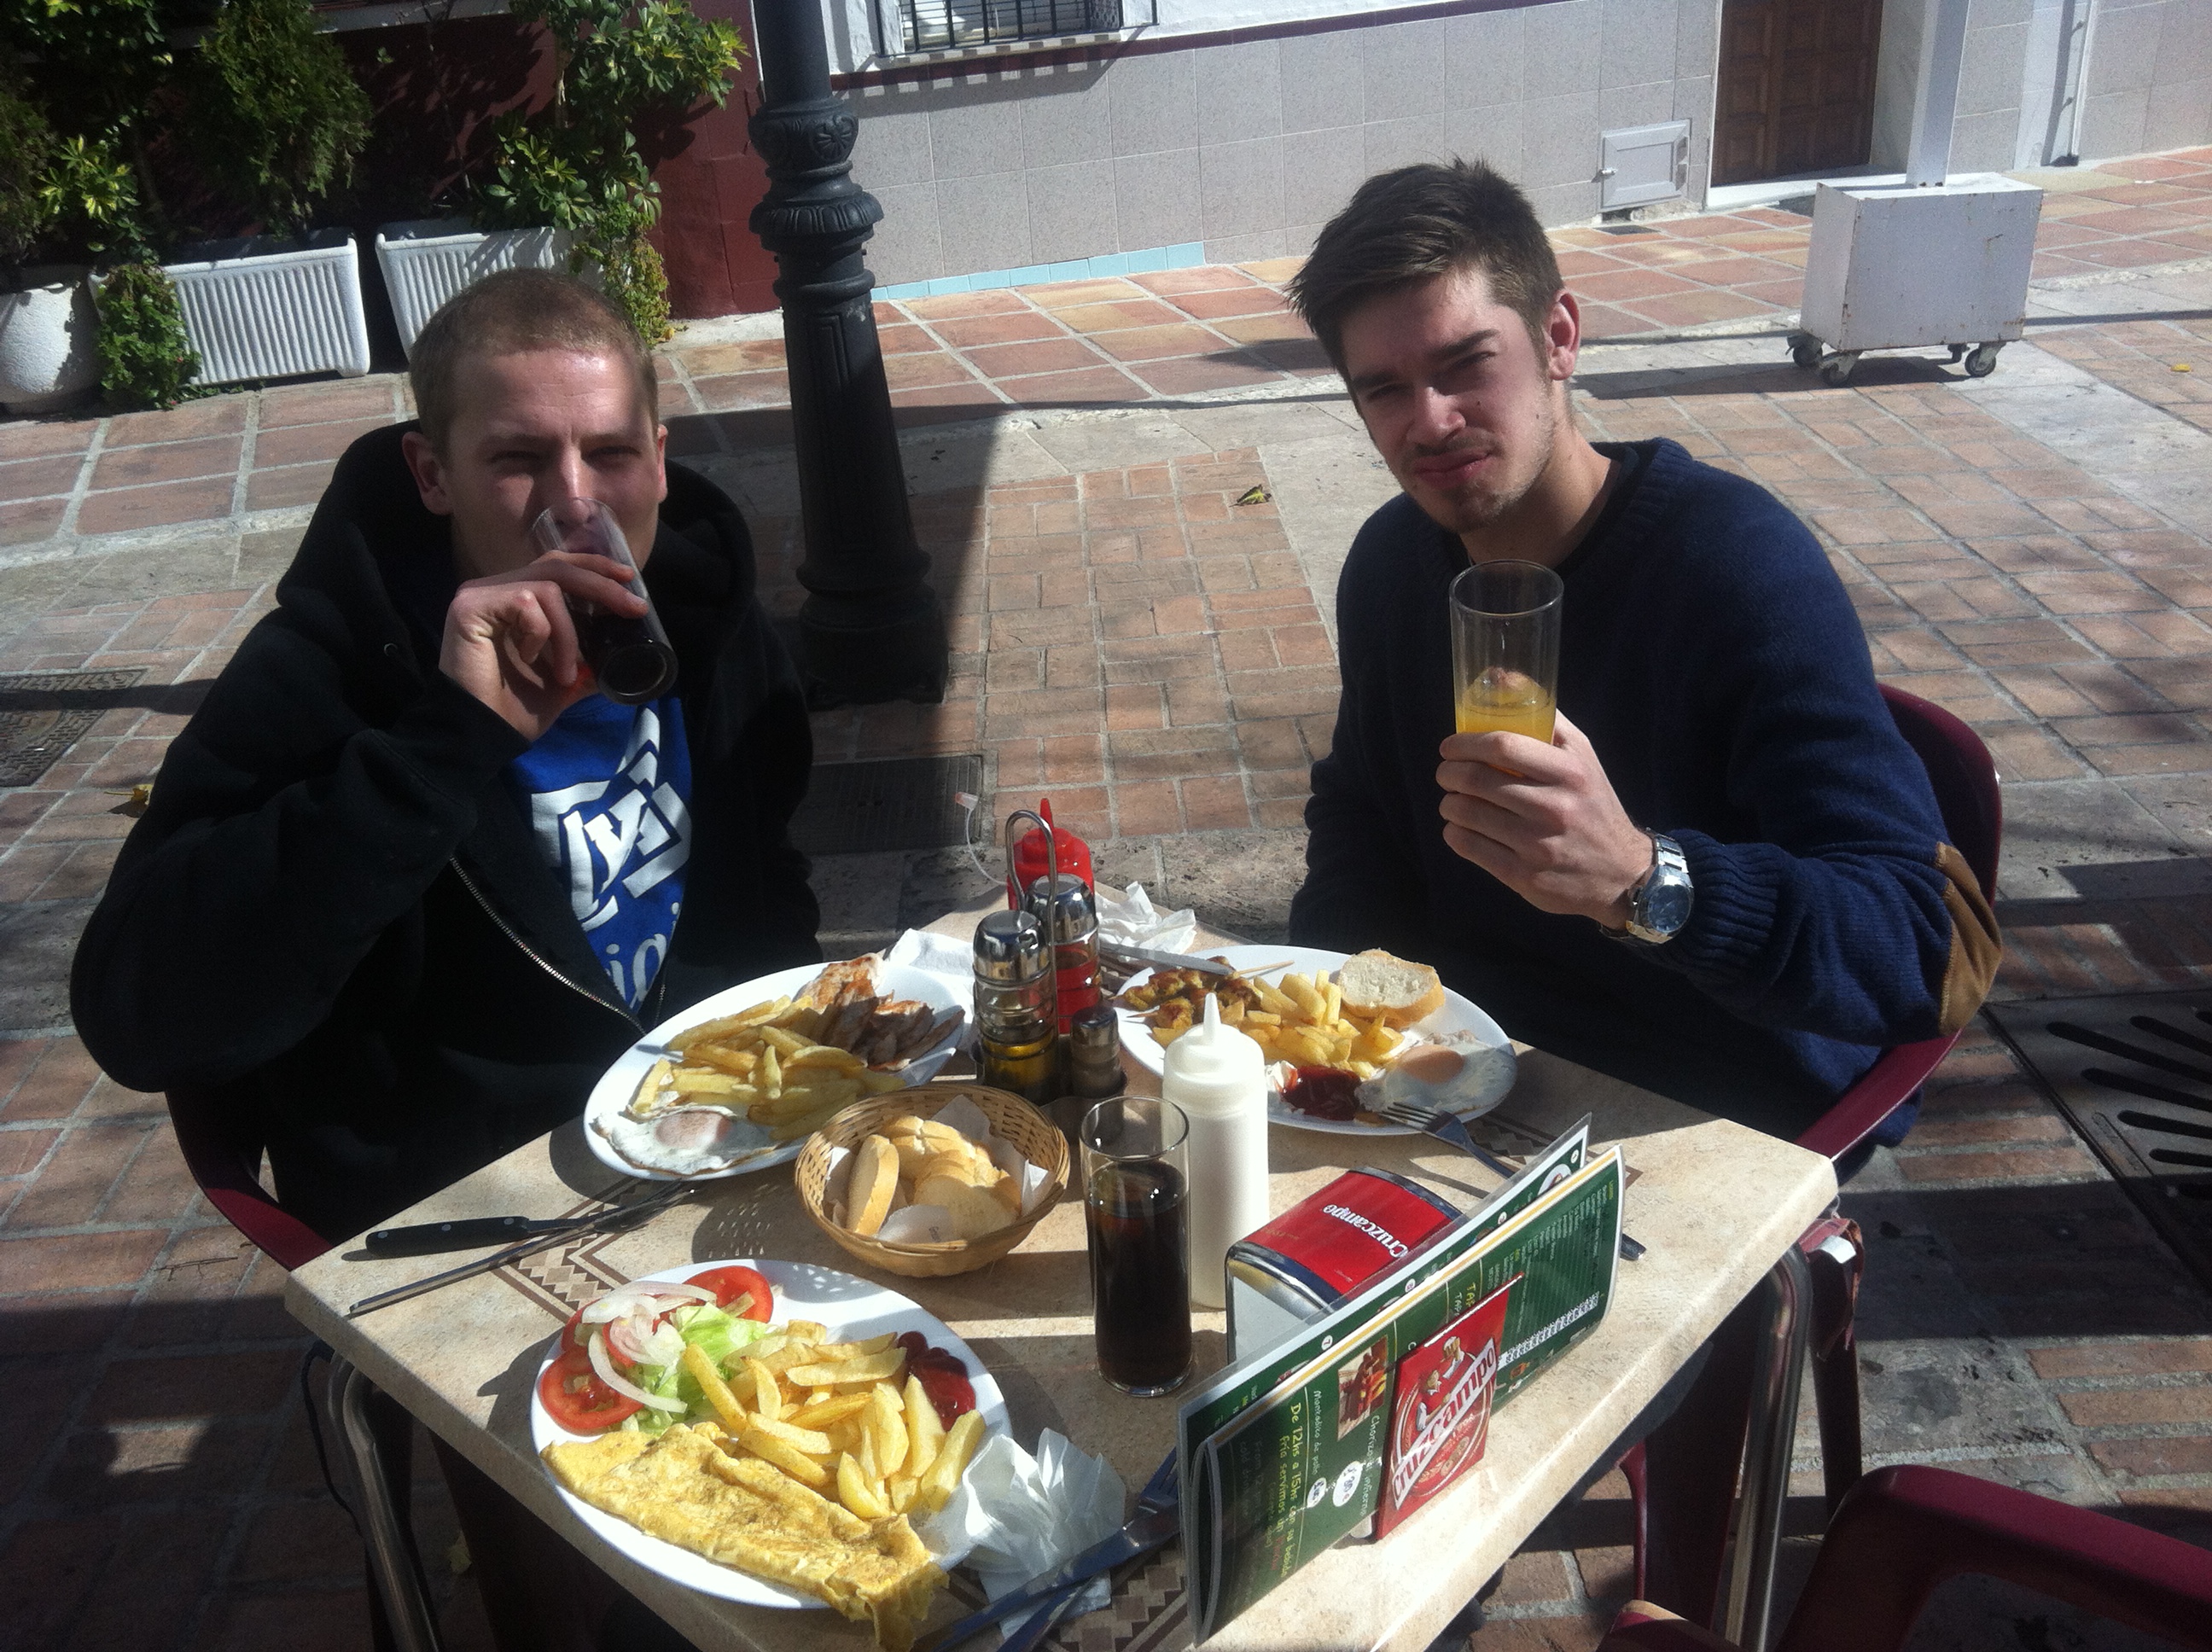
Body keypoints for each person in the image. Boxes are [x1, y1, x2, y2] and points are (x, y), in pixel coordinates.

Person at [71, 269, 821, 1242]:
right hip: (474, 1209)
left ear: (663, 460)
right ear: (432, 473)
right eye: (517, 458)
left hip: (710, 1143)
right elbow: (141, 1014)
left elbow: (766, 875)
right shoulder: (332, 669)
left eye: (611, 452)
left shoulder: (710, 629)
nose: (575, 499)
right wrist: (439, 746)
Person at [1285, 161, 2000, 1139]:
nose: (1430, 421)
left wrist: (1640, 878)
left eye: (1464, 364)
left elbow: (1927, 950)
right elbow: (1363, 809)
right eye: (1384, 390)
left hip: (1713, 1107)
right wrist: (1329, 1016)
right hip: (1464, 1081)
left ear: (1560, 338)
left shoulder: (1733, 566)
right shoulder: (1389, 565)